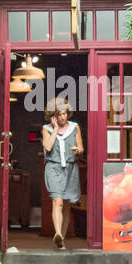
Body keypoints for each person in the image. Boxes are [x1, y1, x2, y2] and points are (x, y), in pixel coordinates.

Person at [41, 99, 84, 249]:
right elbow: (47, 146)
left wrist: (77, 150)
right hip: (54, 168)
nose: (63, 117)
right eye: (59, 114)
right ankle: (57, 233)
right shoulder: (46, 129)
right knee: (57, 201)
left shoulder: (75, 128)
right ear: (54, 116)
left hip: (71, 169)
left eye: (65, 113)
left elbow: (81, 148)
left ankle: (61, 240)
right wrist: (54, 130)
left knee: (66, 204)